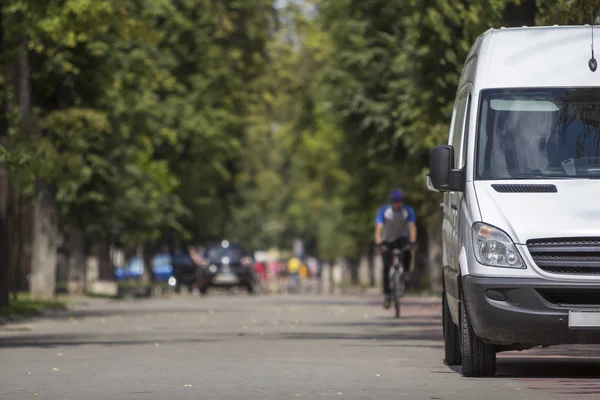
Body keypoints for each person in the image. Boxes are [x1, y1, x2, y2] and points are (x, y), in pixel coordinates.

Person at [375, 189, 417, 309]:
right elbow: (378, 228)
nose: (398, 204)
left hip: (401, 238)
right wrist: (379, 244)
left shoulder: (407, 211)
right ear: (392, 202)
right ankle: (387, 295)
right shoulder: (384, 211)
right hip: (387, 240)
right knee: (386, 267)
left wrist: (412, 241)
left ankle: (406, 273)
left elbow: (412, 227)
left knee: (408, 251)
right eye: (395, 202)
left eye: (399, 201)